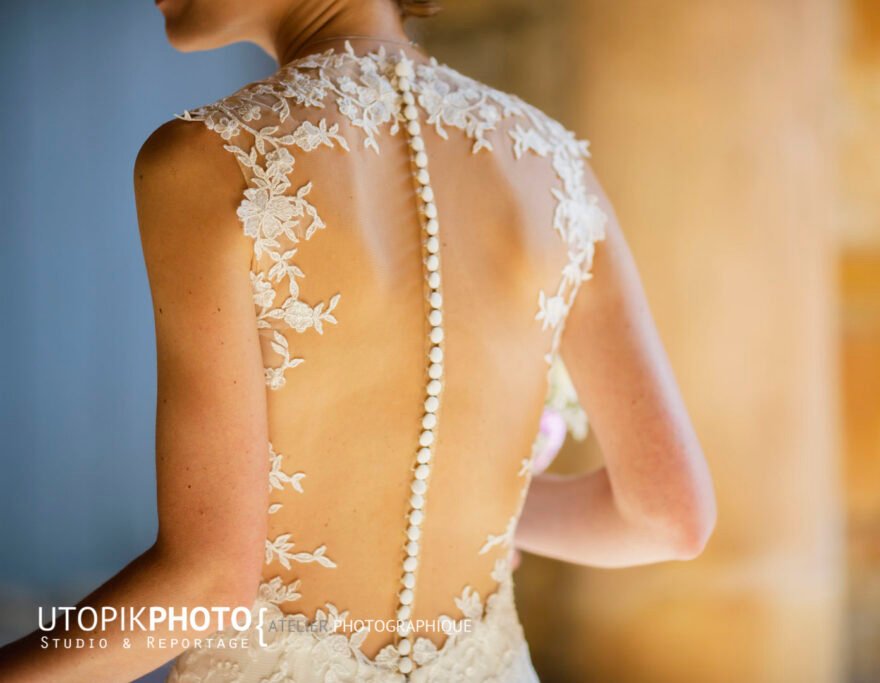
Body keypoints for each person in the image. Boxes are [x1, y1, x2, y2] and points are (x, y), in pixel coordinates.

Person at [0, 0, 716, 680]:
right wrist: (471, 501)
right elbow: (668, 517)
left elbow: (207, 582)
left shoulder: (209, 158)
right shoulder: (557, 166)